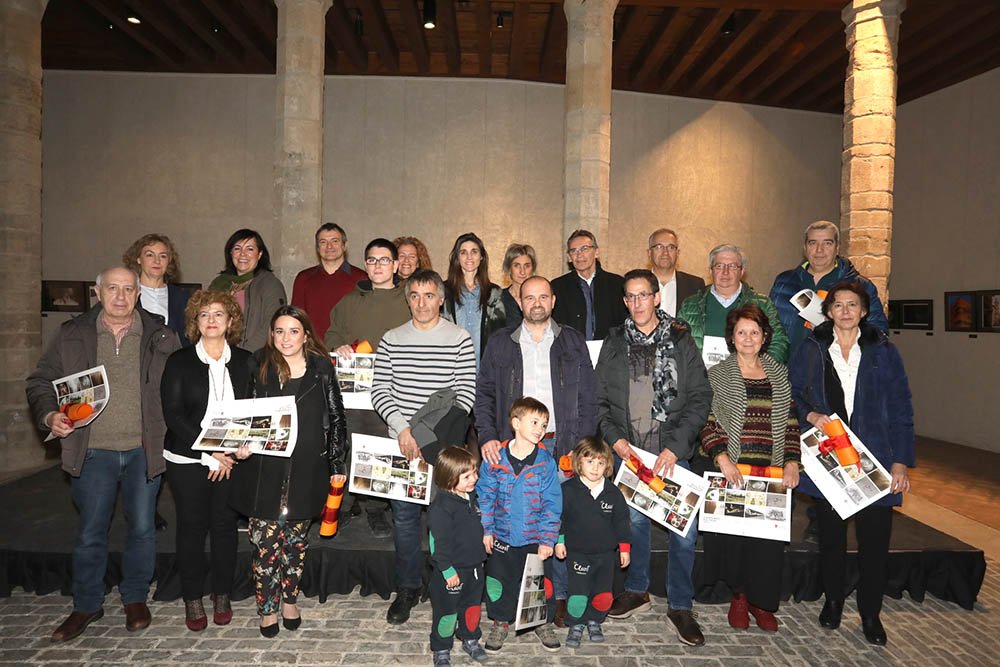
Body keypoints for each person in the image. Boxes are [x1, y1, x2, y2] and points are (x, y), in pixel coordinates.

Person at [26, 266, 180, 642]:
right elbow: (40, 380)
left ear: (138, 294)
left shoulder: (161, 335)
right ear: (98, 292)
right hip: (93, 450)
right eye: (113, 288)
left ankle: (134, 597)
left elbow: (179, 384)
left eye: (128, 289)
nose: (121, 296)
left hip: (144, 450)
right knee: (91, 532)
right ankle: (86, 604)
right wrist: (49, 415)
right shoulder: (72, 333)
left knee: (142, 529)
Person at [789, 281, 915, 646]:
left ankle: (871, 614)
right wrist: (809, 414)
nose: (845, 311)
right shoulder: (811, 348)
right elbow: (793, 393)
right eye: (839, 305)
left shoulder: (884, 351)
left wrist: (901, 461)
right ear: (828, 311)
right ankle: (833, 602)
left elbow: (902, 406)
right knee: (831, 539)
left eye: (852, 305)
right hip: (830, 458)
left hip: (875, 460)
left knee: (874, 544)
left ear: (864, 311)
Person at [596, 269, 712, 646]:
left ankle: (680, 605)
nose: (637, 303)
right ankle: (637, 590)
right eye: (630, 297)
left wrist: (675, 447)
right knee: (634, 524)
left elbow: (700, 397)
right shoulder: (614, 341)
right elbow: (599, 400)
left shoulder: (680, 338)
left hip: (670, 452)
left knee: (684, 532)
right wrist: (615, 441)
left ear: (657, 297)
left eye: (643, 295)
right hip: (629, 452)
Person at [476, 275, 597, 626]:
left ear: (553, 301)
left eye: (543, 296)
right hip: (513, 445)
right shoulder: (501, 343)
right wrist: (487, 437)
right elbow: (484, 395)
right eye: (529, 297)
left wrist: (582, 446)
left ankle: (557, 597)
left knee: (558, 519)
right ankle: (510, 600)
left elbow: (589, 397)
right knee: (516, 520)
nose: (537, 303)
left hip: (562, 444)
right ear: (520, 302)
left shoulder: (572, 340)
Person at [229, 305, 347, 637]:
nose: (286, 338)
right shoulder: (257, 365)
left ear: (306, 335)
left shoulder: (322, 369)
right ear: (272, 334)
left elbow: (337, 419)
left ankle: (290, 601)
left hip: (307, 468)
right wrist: (240, 444)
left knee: (295, 543)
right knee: (265, 545)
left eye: (294, 331)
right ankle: (267, 608)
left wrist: (337, 464)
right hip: (263, 468)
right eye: (279, 331)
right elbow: (244, 413)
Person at [371, 269, 477, 625]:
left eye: (429, 295)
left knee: (443, 519)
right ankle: (407, 588)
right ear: (407, 300)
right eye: (414, 295)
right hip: (401, 445)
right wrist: (404, 430)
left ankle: (444, 584)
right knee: (403, 519)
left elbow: (465, 395)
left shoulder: (459, 338)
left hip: (442, 448)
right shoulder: (392, 338)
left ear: (441, 299)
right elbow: (380, 390)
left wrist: (427, 437)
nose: (422, 303)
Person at [698, 303, 801, 633]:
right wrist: (722, 459)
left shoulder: (779, 373)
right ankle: (740, 597)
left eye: (754, 332)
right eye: (741, 332)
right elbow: (706, 420)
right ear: (731, 337)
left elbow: (791, 421)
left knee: (767, 543)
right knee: (737, 541)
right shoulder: (718, 374)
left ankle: (762, 602)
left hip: (771, 470)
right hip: (734, 468)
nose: (747, 338)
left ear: (764, 336)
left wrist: (792, 462)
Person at [160, 291, 252, 631]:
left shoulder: (246, 361)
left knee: (225, 527)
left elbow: (253, 410)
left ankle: (222, 594)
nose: (211, 320)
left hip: (232, 459)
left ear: (230, 321)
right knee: (192, 528)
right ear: (195, 322)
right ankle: (193, 598)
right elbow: (174, 414)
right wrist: (211, 450)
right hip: (187, 458)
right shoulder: (179, 361)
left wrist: (243, 446)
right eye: (204, 314)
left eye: (218, 314)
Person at [325, 238, 411, 539]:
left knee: (381, 447)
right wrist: (338, 346)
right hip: (356, 393)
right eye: (372, 260)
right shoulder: (351, 300)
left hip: (394, 391)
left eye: (384, 260)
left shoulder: (408, 299)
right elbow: (331, 332)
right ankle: (347, 504)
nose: (378, 266)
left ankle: (376, 508)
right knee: (351, 445)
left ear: (396, 265)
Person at [476, 397, 562, 652]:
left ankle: (539, 622)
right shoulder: (494, 459)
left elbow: (552, 504)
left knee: (537, 582)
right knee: (499, 581)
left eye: (544, 424)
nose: (540, 429)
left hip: (534, 538)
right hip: (502, 537)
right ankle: (501, 621)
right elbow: (485, 496)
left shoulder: (545, 462)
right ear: (515, 423)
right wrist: (487, 530)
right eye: (534, 422)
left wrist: (548, 539)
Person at [554, 438, 630, 648]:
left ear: (607, 465)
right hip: (578, 553)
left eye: (600, 463)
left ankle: (595, 620)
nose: (595, 468)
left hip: (606, 555)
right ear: (579, 462)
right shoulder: (568, 490)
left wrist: (624, 548)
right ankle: (576, 623)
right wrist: (559, 541)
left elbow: (622, 521)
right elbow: (559, 518)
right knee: (578, 594)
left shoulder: (613, 493)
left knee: (603, 595)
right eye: (590, 462)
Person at [770, 220, 888, 355]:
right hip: (787, 367)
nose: (819, 250)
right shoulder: (784, 282)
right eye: (813, 243)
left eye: (827, 243)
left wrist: (839, 330)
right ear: (805, 248)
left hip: (837, 367)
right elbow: (767, 328)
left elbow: (880, 335)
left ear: (837, 248)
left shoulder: (861, 287)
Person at [428, 446, 489, 667]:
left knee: (472, 607)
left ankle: (470, 639)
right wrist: (447, 570)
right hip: (451, 572)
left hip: (475, 568)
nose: (474, 478)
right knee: (447, 613)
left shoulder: (471, 497)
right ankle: (441, 648)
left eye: (475, 472)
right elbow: (439, 543)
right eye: (467, 476)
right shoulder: (441, 508)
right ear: (449, 479)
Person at [678, 244, 789, 365]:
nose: (725, 272)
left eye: (732, 266)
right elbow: (677, 343)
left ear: (742, 271)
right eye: (719, 266)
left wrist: (757, 369)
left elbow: (779, 343)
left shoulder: (763, 304)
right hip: (699, 375)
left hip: (747, 376)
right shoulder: (690, 304)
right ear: (710, 271)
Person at [208, 229, 286, 352]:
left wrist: (245, 353)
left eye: (249, 249)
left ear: (259, 254)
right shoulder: (218, 283)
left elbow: (272, 324)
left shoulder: (270, 284)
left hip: (254, 354)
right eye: (237, 249)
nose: (242, 254)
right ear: (230, 253)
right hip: (216, 353)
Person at [291, 223, 367, 340]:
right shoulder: (304, 278)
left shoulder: (361, 278)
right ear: (317, 248)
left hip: (349, 348)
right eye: (323, 242)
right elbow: (296, 320)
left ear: (344, 245)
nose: (329, 246)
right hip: (312, 348)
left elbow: (367, 320)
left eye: (335, 241)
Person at [442, 232, 506, 369]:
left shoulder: (494, 293)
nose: (469, 257)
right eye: (463, 252)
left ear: (481, 256)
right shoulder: (443, 291)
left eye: (474, 252)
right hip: (450, 367)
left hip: (485, 369)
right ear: (457, 257)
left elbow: (500, 335)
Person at [551, 229, 627, 340]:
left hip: (610, 348)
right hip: (571, 348)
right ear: (569, 257)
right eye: (574, 251)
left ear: (597, 252)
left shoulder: (617, 284)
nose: (579, 254)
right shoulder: (558, 287)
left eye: (585, 249)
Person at [123, 233, 193, 347]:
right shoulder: (126, 295)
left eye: (163, 256)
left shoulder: (182, 297)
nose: (157, 261)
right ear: (138, 259)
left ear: (169, 261)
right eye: (150, 255)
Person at [647, 228, 705, 318]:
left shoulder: (695, 285)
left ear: (677, 253)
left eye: (671, 247)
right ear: (649, 253)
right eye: (659, 247)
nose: (665, 252)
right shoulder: (635, 285)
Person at [499, 243, 537, 328]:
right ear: (509, 268)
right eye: (516, 266)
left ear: (533, 268)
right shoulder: (498, 299)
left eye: (527, 266)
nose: (522, 271)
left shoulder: (540, 299)